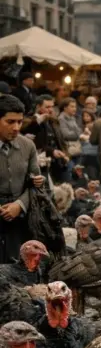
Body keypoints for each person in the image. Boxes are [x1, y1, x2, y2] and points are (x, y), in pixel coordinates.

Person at [0, 95, 45, 264]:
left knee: (17, 267)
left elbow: (37, 184)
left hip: (20, 219)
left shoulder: (28, 146)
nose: (16, 127)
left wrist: (19, 205)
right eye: (10, 122)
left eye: (19, 122)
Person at [22, 94, 69, 184]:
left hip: (57, 162)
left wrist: (65, 153)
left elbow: (59, 139)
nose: (50, 109)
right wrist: (38, 121)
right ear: (38, 106)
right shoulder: (30, 121)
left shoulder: (52, 120)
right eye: (47, 107)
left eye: (52, 106)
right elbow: (35, 143)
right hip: (40, 163)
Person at [58, 97, 82, 163]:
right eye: (72, 107)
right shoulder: (61, 119)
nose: (75, 109)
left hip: (76, 149)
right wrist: (78, 134)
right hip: (68, 150)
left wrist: (78, 132)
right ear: (65, 108)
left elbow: (78, 130)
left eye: (75, 107)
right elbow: (65, 134)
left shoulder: (72, 117)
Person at [79, 111, 99, 180]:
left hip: (92, 154)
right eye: (84, 116)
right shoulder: (81, 126)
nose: (85, 118)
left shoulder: (95, 125)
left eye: (87, 116)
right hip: (84, 153)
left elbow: (94, 139)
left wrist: (88, 134)